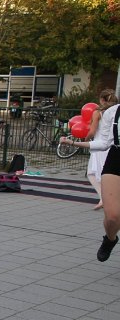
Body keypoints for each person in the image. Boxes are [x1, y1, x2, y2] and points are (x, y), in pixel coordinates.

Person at [61, 102, 120, 261]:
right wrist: (74, 143)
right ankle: (110, 239)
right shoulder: (113, 112)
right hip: (116, 157)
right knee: (112, 217)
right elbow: (104, 143)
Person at [84, 91, 119, 210]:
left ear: (102, 100)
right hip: (112, 146)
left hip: (99, 145)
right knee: (108, 175)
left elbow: (92, 131)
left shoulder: (98, 112)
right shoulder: (116, 112)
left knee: (92, 173)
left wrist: (85, 139)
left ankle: (103, 198)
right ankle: (106, 198)